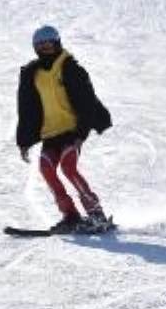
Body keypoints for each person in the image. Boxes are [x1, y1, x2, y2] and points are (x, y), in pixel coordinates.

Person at [15, 25, 113, 233]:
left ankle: (96, 213)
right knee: (46, 168)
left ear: (57, 43)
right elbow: (26, 108)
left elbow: (87, 102)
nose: (45, 49)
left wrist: (81, 134)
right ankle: (70, 215)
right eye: (41, 46)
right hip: (50, 133)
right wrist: (24, 141)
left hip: (72, 130)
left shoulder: (70, 68)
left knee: (68, 167)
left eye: (49, 44)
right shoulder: (33, 73)